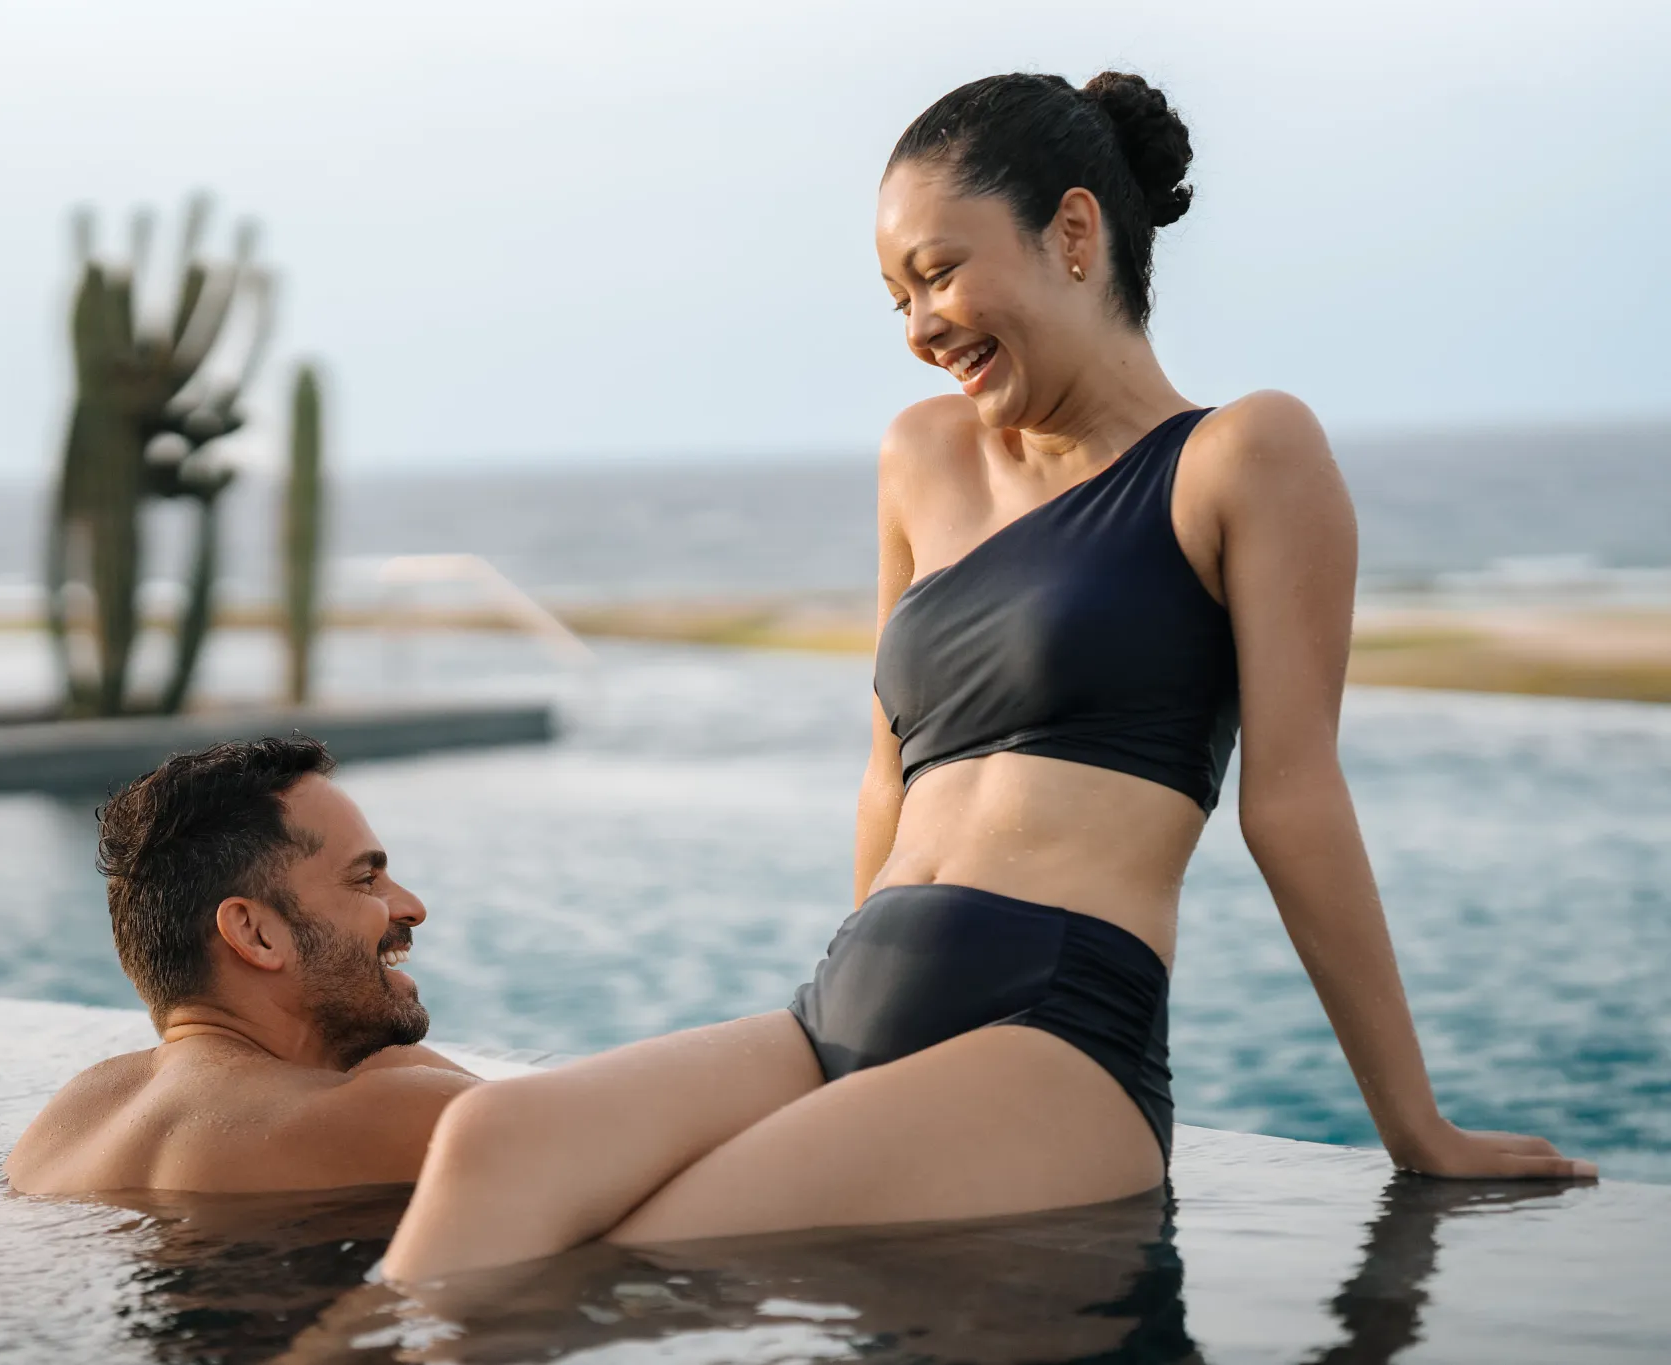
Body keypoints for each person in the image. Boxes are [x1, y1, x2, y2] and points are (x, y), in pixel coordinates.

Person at [379, 70, 1594, 1282]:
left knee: (643, 1254)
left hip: (1051, 1034)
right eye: (896, 296)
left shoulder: (1242, 455)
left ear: (1073, 232)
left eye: (940, 272)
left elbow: (1294, 802)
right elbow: (883, 780)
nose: (919, 325)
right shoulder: (920, 456)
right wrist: (850, 1011)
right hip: (842, 1010)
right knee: (495, 1142)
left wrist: (1412, 1129)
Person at [5, 737, 479, 1195]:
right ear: (254, 933)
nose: (413, 907)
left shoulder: (72, 1118)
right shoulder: (403, 1118)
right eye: (365, 879)